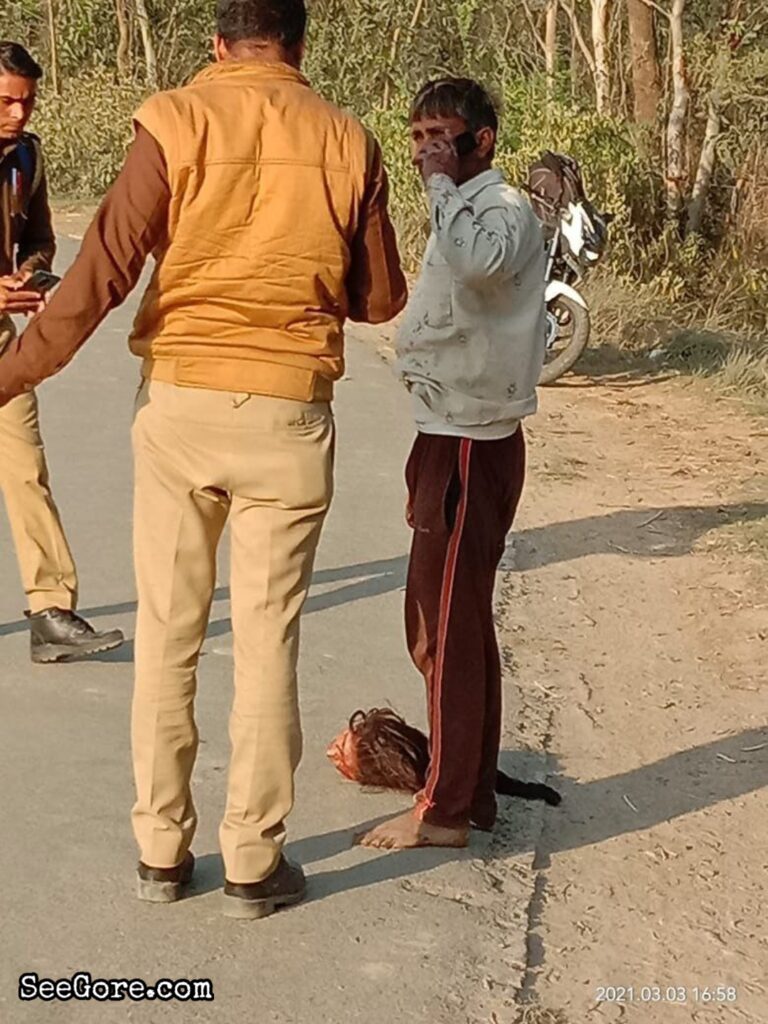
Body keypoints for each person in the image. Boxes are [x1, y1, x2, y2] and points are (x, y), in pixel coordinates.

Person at [0, 1, 406, 916]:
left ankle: (161, 853)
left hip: (181, 411)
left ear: (217, 46)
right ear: (300, 47)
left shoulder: (176, 117)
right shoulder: (349, 138)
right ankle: (256, 865)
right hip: (289, 418)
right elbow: (380, 298)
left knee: (170, 638)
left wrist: (13, 372)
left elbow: (101, 270)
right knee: (266, 647)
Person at [358, 78, 546, 851]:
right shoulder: (464, 210)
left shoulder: (502, 213)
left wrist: (439, 183)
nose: (427, 150)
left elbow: (474, 271)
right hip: (446, 432)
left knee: (447, 629)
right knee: (444, 622)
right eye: (418, 137)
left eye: (443, 136)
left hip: (474, 438)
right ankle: (468, 790)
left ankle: (444, 810)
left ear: (483, 141)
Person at [0, 41, 124, 663]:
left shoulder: (28, 156)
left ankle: (51, 610)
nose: (18, 114)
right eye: (5, 102)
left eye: (26, 102)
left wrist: (32, 272)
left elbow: (42, 235)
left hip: (4, 343)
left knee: (25, 469)